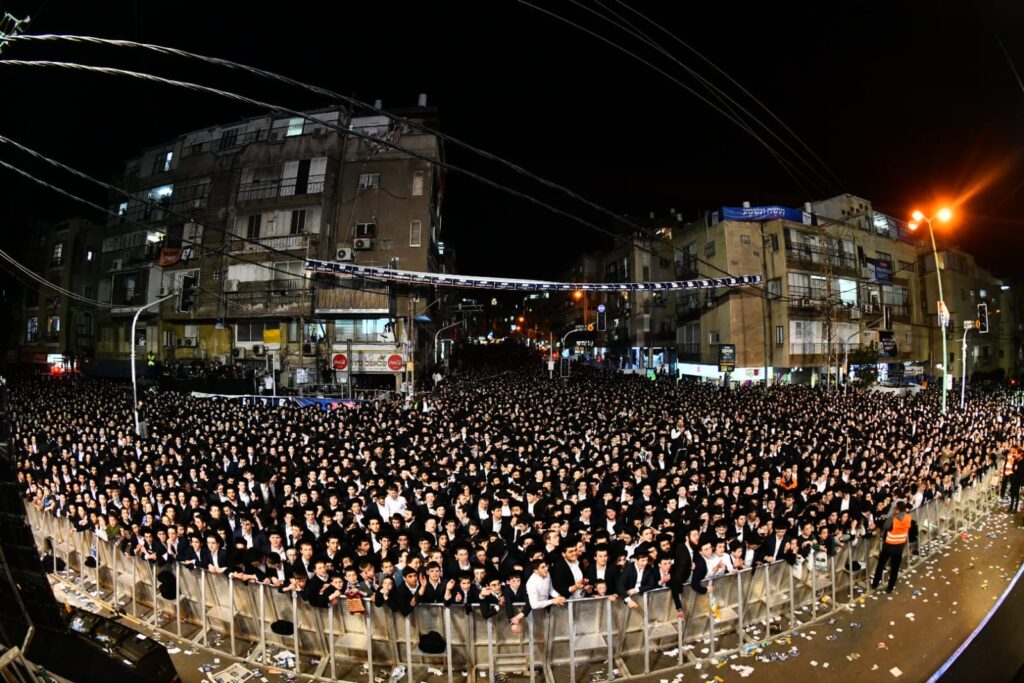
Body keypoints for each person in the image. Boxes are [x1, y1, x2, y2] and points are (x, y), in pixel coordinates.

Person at [872, 501, 911, 593]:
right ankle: (890, 587)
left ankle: (875, 583)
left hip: (889, 545)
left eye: (895, 508)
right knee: (895, 568)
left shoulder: (893, 519)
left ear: (897, 510)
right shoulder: (908, 517)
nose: (893, 510)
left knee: (881, 565)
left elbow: (885, 525)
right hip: (900, 546)